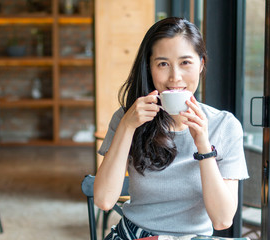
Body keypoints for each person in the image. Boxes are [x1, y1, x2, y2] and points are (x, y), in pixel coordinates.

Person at [94, 17, 249, 239]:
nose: (175, 77)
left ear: (201, 64)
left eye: (185, 62)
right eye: (163, 64)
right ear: (150, 68)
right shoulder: (128, 118)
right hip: (136, 235)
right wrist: (127, 126)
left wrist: (203, 145)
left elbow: (222, 220)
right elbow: (104, 200)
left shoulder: (225, 126)